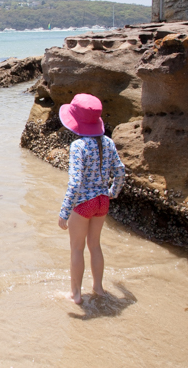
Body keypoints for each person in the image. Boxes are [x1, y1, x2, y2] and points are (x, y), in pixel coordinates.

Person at [57, 93, 125, 304]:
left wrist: (64, 212)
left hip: (84, 204)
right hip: (102, 202)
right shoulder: (108, 143)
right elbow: (121, 171)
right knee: (94, 245)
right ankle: (99, 288)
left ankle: (75, 294)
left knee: (77, 248)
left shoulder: (78, 147)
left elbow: (75, 183)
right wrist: (112, 192)